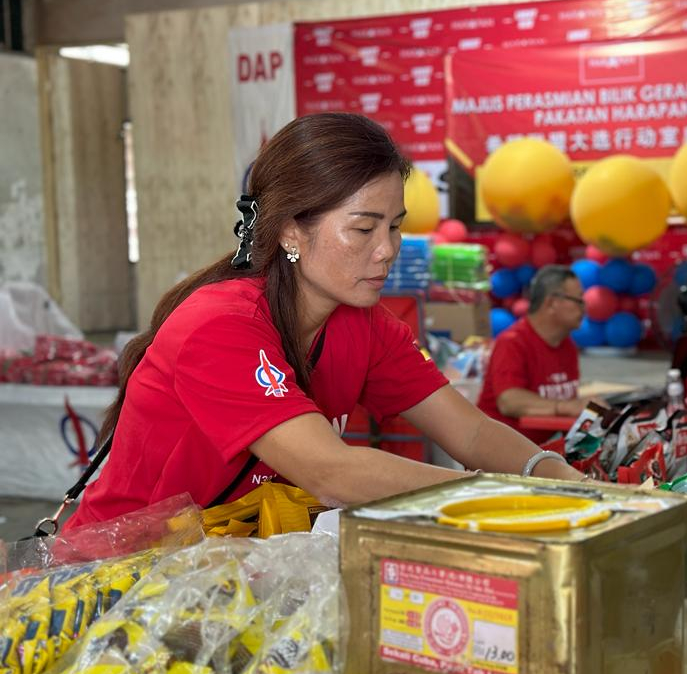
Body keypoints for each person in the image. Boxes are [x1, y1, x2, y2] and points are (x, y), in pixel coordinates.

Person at [65, 113, 583, 529]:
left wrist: (555, 475)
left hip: (221, 569)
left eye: (395, 227)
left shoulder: (365, 325)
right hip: (120, 576)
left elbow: (468, 433)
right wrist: (503, 497)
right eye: (363, 229)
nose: (387, 251)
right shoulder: (219, 326)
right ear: (291, 231)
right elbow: (331, 471)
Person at [476, 265, 595, 442]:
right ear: (552, 303)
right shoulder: (512, 342)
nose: (584, 308)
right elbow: (509, 401)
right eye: (578, 300)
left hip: (543, 450)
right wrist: (566, 407)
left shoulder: (567, 345)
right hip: (501, 451)